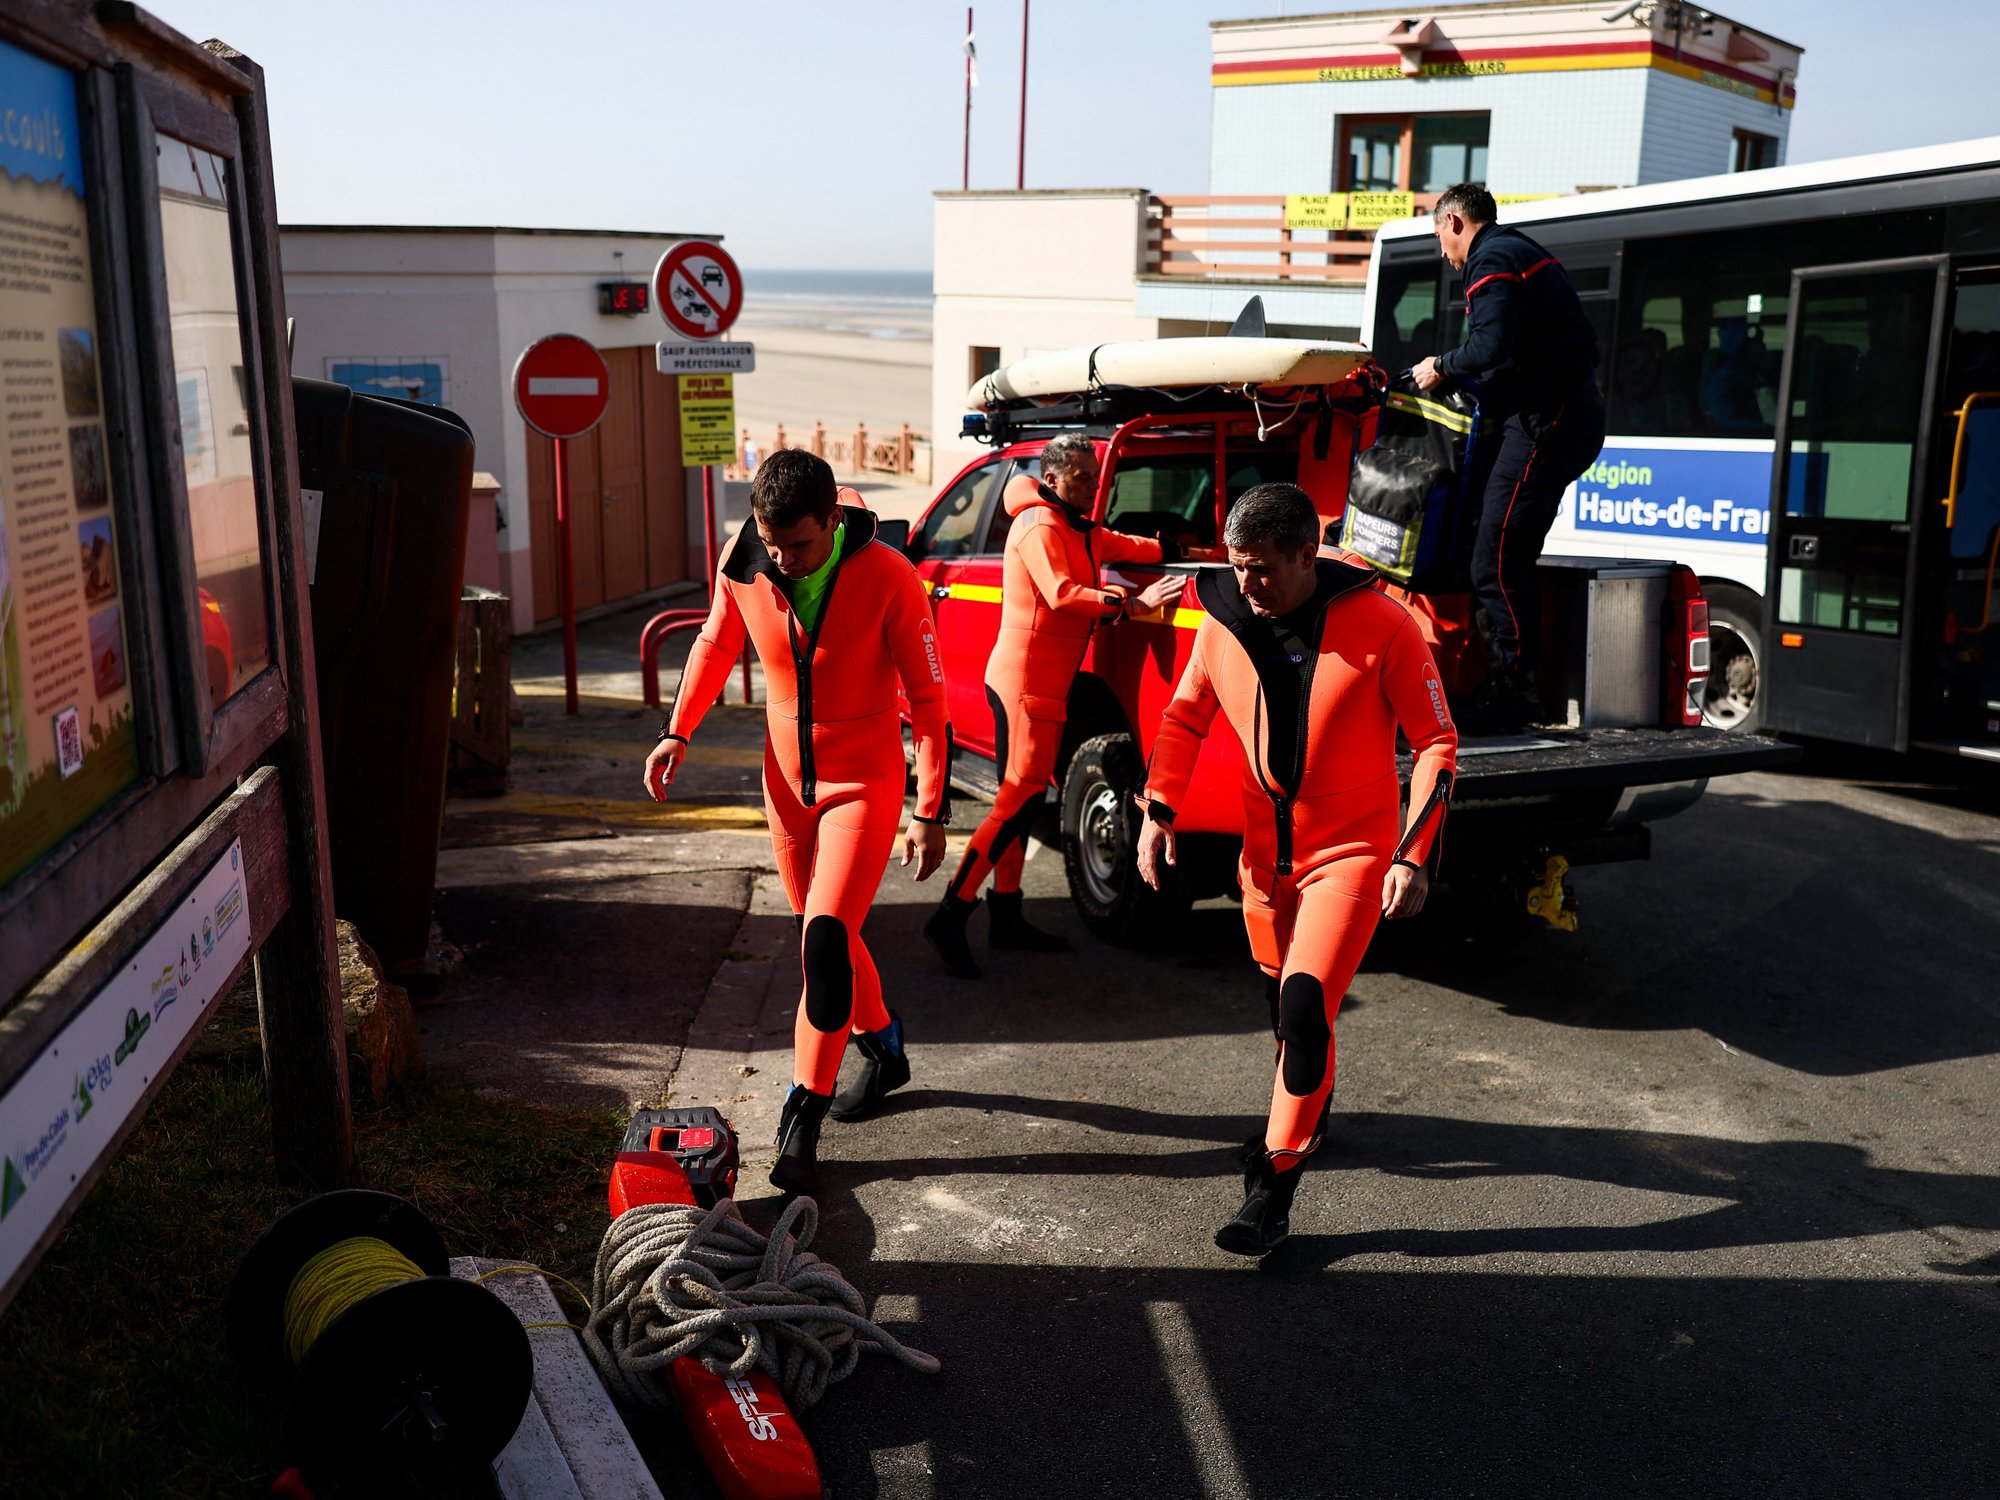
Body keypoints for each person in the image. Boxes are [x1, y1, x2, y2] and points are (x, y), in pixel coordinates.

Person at [1135, 483, 1457, 1257]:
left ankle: (1271, 1191)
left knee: (1307, 1006)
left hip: (1350, 854)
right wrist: (1158, 808)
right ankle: (1309, 1109)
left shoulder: (1383, 624)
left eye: (1262, 568)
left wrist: (1413, 854)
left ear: (1307, 554)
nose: (1247, 583)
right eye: (1237, 565)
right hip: (1262, 861)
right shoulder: (1222, 620)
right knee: (1285, 1015)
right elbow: (1184, 716)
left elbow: (1437, 744)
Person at [644, 449, 951, 1195]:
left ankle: (802, 1113)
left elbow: (929, 700)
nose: (781, 560)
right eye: (770, 542)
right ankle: (884, 1044)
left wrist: (930, 807)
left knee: (824, 941)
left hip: (863, 785)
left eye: (799, 545)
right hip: (785, 785)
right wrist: (678, 729)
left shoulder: (889, 575)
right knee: (825, 935)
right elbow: (716, 640)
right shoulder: (746, 556)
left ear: (833, 520)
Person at [922, 431, 1184, 976]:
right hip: (1025, 683)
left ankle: (1006, 914)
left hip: (1042, 684)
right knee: (1017, 800)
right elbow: (1062, 594)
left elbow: (1121, 544)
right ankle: (950, 915)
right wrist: (1132, 603)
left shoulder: (1074, 525)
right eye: (1081, 478)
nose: (1091, 487)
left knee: (1021, 799)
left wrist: (1174, 551)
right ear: (1052, 479)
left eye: (1094, 477)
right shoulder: (1040, 524)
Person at [1412, 182, 1606, 729]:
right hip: (1564, 415)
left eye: (1439, 238)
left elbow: (1490, 344)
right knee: (1506, 552)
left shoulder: (1491, 259)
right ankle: (1508, 686)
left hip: (1548, 420)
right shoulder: (1520, 249)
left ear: (1454, 222)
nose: (1443, 254)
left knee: (1493, 558)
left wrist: (1441, 366)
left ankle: (1513, 695)